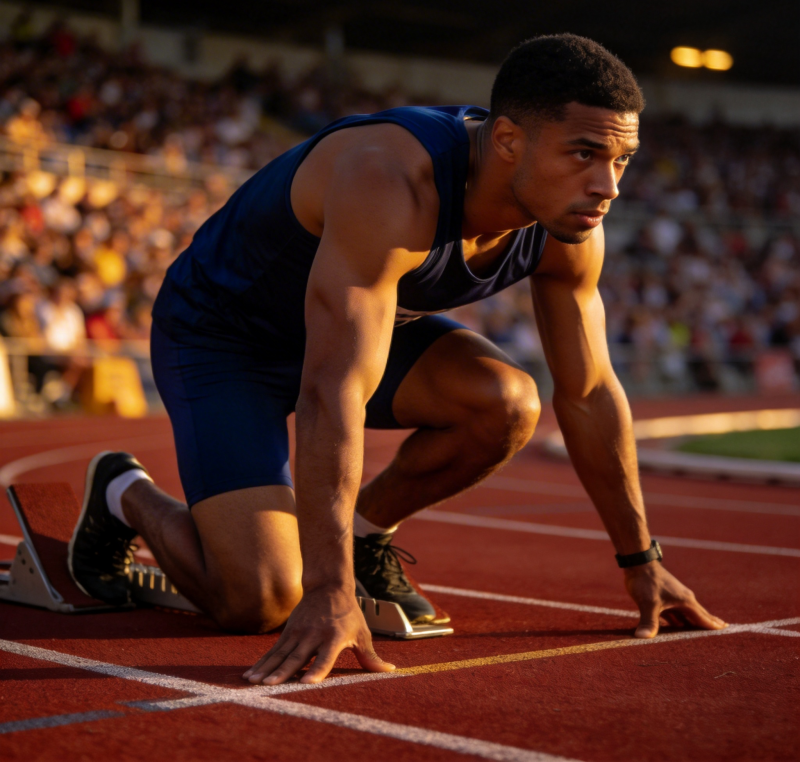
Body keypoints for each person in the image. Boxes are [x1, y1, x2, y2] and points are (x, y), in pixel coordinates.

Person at [68, 34, 727, 687]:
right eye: (585, 154)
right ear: (507, 142)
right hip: (226, 336)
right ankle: (125, 492)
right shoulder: (389, 176)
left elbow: (588, 393)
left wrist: (641, 559)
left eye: (623, 159)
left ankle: (360, 537)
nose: (608, 186)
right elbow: (334, 390)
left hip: (358, 328)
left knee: (507, 403)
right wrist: (327, 591)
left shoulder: (572, 223)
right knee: (260, 601)